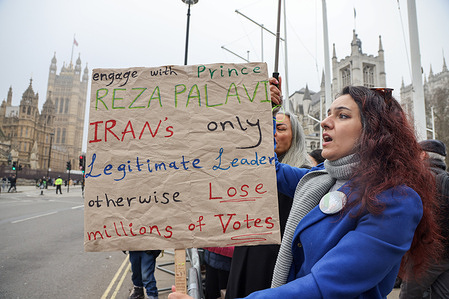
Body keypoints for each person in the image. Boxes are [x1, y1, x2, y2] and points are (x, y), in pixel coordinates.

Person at [169, 82, 441, 299]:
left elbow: (323, 286)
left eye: (342, 115)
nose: (324, 122)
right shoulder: (318, 178)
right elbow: (266, 166)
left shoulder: (397, 201)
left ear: (374, 131)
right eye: (327, 114)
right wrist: (264, 112)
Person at [225, 111, 311, 299]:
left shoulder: (303, 175)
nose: (273, 133)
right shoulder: (250, 170)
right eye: (269, 128)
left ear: (295, 135)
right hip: (245, 252)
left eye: (280, 128)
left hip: (275, 261)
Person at [399, 139, 449, 299]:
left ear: (423, 155)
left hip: (425, 254)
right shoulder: (446, 179)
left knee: (410, 295)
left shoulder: (419, 181)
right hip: (446, 255)